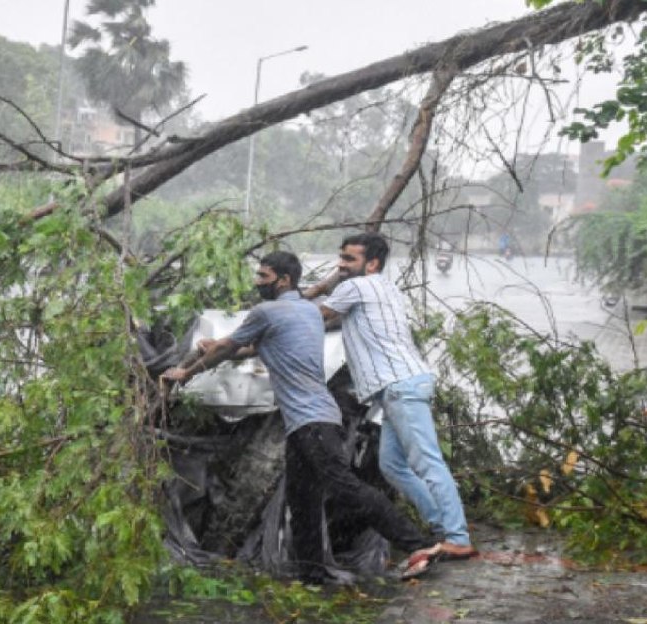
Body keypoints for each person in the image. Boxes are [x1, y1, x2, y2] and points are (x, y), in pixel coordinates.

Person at [162, 251, 441, 581]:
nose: (257, 283)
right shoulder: (307, 312)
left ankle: (418, 544)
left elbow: (228, 348)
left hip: (313, 422)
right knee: (302, 498)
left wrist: (187, 372)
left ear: (283, 280)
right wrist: (221, 346)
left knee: (344, 486)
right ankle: (313, 574)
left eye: (263, 277)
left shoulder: (266, 311)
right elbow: (254, 347)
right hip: (308, 421)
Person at [307, 233, 478, 564]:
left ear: (372, 264)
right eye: (340, 257)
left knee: (427, 461)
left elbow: (314, 316)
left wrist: (296, 299)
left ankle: (458, 537)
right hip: (402, 385)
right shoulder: (384, 288)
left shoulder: (356, 287)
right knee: (393, 465)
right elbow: (343, 320)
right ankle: (442, 526)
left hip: (400, 386)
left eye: (349, 259)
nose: (341, 265)